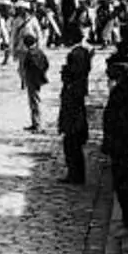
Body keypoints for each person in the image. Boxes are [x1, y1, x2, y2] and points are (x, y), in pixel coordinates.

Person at [100, 60, 128, 233]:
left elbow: (127, 120)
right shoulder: (125, 87)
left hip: (124, 145)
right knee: (121, 184)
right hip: (119, 144)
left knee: (125, 184)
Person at [57, 46, 90, 184]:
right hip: (72, 118)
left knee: (73, 147)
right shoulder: (78, 78)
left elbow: (72, 102)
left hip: (74, 119)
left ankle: (76, 176)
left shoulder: (77, 80)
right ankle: (75, 174)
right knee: (71, 148)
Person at [20, 33, 49, 133]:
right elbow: (46, 64)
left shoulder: (29, 54)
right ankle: (35, 123)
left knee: (34, 103)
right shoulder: (40, 52)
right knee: (35, 102)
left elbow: (24, 69)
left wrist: (23, 81)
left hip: (31, 80)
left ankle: (38, 125)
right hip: (39, 79)